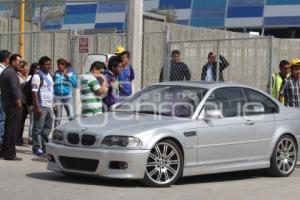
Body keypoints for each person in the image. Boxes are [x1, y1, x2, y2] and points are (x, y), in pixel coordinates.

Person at [0, 54, 23, 161]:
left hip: (7, 103)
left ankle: (4, 151)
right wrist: (18, 102)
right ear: (13, 62)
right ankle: (10, 153)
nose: (20, 64)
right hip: (13, 105)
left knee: (9, 128)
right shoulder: (11, 72)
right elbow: (14, 89)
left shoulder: (6, 71)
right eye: (19, 62)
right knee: (13, 129)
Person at [31, 56, 54, 157]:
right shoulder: (37, 76)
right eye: (46, 64)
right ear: (40, 65)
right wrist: (37, 106)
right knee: (38, 128)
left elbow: (51, 90)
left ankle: (45, 147)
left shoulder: (49, 75)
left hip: (49, 106)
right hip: (41, 105)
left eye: (50, 64)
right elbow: (34, 92)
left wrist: (54, 104)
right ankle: (36, 147)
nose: (49, 66)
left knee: (47, 128)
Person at [53, 58, 77, 127]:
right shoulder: (56, 74)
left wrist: (68, 77)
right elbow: (52, 86)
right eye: (58, 64)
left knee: (71, 115)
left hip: (67, 97)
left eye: (61, 64)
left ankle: (73, 131)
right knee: (58, 116)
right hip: (57, 97)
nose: (59, 66)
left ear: (65, 65)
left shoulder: (71, 73)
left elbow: (75, 84)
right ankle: (56, 131)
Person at [26, 63, 39, 143]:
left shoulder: (36, 77)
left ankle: (32, 137)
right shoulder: (30, 77)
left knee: (34, 120)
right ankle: (30, 138)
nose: (38, 70)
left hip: (33, 102)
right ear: (33, 68)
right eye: (37, 68)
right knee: (32, 121)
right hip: (31, 102)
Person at [17, 60, 29, 146]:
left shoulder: (25, 76)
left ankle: (19, 137)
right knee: (19, 122)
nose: (27, 69)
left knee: (22, 121)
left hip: (25, 102)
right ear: (21, 69)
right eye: (25, 67)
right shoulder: (18, 77)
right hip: (20, 101)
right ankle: (17, 138)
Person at [0, 50, 10, 149]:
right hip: (1, 96)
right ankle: (1, 142)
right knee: (2, 120)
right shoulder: (2, 70)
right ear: (6, 59)